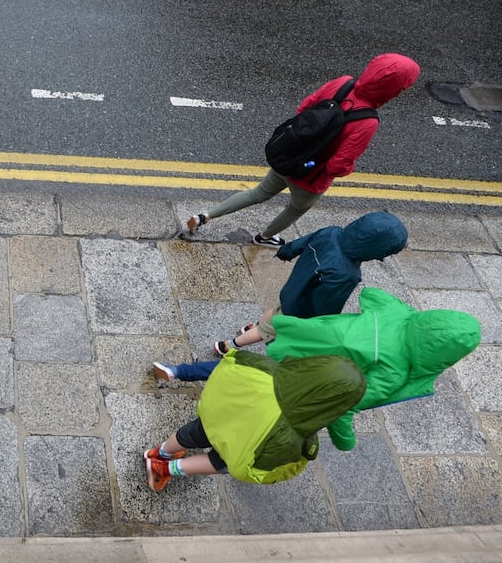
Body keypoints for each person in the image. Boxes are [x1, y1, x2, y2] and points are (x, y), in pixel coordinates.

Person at [152, 288, 481, 452]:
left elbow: (371, 293)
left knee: (241, 364)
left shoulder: (394, 312)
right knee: (256, 390)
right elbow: (346, 403)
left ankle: (178, 371)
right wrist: (345, 441)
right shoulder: (395, 372)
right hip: (310, 376)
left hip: (303, 341)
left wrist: (410, 318)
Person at [184, 53, 421, 248]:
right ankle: (265, 238)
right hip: (310, 176)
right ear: (392, 89)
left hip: (288, 156)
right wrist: (344, 168)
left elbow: (305, 107)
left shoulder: (343, 83)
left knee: (258, 193)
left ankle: (205, 216)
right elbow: (339, 165)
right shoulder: (367, 121)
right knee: (296, 208)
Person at [145, 350, 365, 491]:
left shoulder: (263, 367)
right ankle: (163, 469)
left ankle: (159, 452)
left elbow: (228, 366)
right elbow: (254, 470)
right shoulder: (293, 438)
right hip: (235, 446)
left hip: (216, 418)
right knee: (218, 463)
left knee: (190, 434)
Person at [212, 211, 408, 356]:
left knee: (276, 310)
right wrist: (322, 324)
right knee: (269, 330)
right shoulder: (348, 273)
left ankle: (249, 327)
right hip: (300, 308)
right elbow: (328, 303)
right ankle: (228, 346)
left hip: (293, 287)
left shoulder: (332, 232)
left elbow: (303, 242)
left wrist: (286, 251)